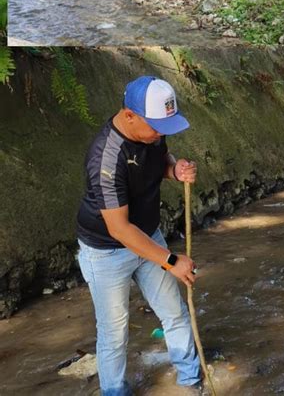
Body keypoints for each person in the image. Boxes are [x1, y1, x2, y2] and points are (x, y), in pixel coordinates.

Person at [77, 76, 201, 395]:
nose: (161, 134)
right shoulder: (105, 156)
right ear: (130, 115)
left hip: (148, 235)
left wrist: (175, 170)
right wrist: (171, 260)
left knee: (174, 311)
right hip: (106, 251)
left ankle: (191, 380)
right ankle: (115, 391)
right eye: (157, 127)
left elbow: (160, 160)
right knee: (114, 332)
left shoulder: (153, 130)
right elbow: (119, 229)